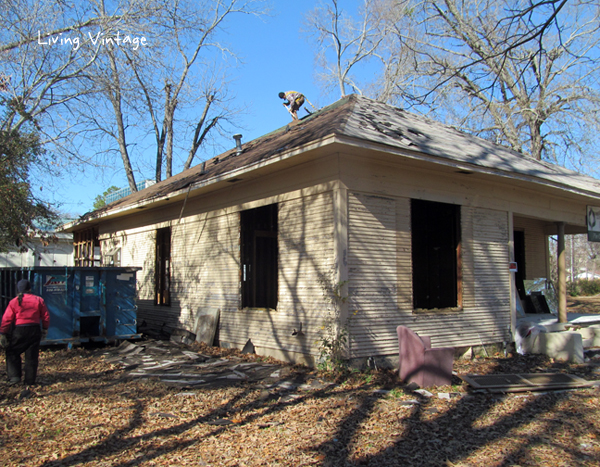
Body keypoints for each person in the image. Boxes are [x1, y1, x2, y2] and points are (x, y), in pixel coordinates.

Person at [0, 279, 50, 386]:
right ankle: (30, 381)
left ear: (18, 290)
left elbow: (6, 319)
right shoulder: (38, 300)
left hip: (20, 330)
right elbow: (45, 316)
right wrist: (45, 329)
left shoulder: (14, 302)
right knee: (31, 357)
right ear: (30, 289)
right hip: (34, 330)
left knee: (12, 352)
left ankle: (14, 377)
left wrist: (3, 333)